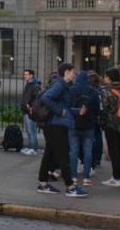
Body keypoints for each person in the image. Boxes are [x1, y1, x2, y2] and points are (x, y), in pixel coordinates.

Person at [37, 63, 86, 197]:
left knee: (49, 154)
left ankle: (43, 183)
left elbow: (65, 107)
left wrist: (77, 111)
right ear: (66, 72)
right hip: (57, 125)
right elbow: (46, 98)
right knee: (64, 155)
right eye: (73, 72)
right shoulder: (60, 84)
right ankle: (70, 187)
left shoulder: (63, 85)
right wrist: (59, 111)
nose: (74, 74)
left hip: (55, 124)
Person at [100, 68, 120, 187]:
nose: (104, 78)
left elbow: (106, 108)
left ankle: (116, 177)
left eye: (105, 76)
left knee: (113, 151)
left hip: (111, 124)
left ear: (109, 78)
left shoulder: (106, 90)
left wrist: (102, 122)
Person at [70, 71, 99, 187]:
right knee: (88, 151)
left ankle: (73, 177)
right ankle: (86, 177)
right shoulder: (93, 91)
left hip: (74, 124)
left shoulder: (71, 90)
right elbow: (97, 109)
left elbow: (67, 107)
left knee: (74, 151)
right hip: (89, 125)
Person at [20, 69, 42, 155]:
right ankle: (30, 147)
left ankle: (33, 148)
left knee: (32, 131)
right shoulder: (28, 85)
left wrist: (31, 106)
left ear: (31, 75)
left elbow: (37, 98)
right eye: (24, 74)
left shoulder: (35, 86)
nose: (25, 76)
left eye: (26, 74)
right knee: (29, 131)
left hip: (31, 112)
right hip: (26, 111)